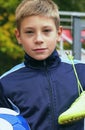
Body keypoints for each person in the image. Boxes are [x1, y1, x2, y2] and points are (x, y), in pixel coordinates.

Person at [0, 0, 85, 129]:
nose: (38, 39)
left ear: (59, 33)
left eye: (46, 31)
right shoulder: (6, 83)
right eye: (29, 32)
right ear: (18, 36)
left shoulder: (80, 71)